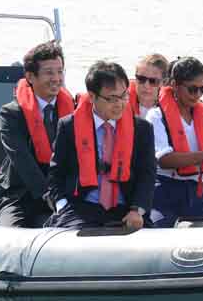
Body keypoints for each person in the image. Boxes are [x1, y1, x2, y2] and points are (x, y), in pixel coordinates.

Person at [45, 61, 156, 230]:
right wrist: (62, 205)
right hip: (80, 208)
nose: (119, 104)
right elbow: (56, 174)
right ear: (92, 96)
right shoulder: (69, 126)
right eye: (111, 98)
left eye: (123, 96)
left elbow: (147, 175)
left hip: (126, 210)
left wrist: (137, 210)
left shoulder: (142, 129)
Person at [0, 42, 74, 227]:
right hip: (17, 196)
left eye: (60, 71)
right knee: (13, 235)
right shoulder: (11, 114)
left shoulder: (73, 111)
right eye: (49, 72)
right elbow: (23, 161)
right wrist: (52, 198)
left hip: (59, 195)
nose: (56, 78)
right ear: (30, 77)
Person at [145, 57, 203, 227]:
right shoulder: (156, 117)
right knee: (155, 229)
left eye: (202, 89)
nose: (197, 95)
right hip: (163, 193)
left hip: (197, 194)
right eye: (192, 89)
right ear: (174, 84)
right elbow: (165, 160)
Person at [129, 53, 168, 118]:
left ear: (164, 82)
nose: (146, 85)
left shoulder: (177, 107)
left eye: (153, 81)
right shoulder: (119, 105)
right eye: (141, 79)